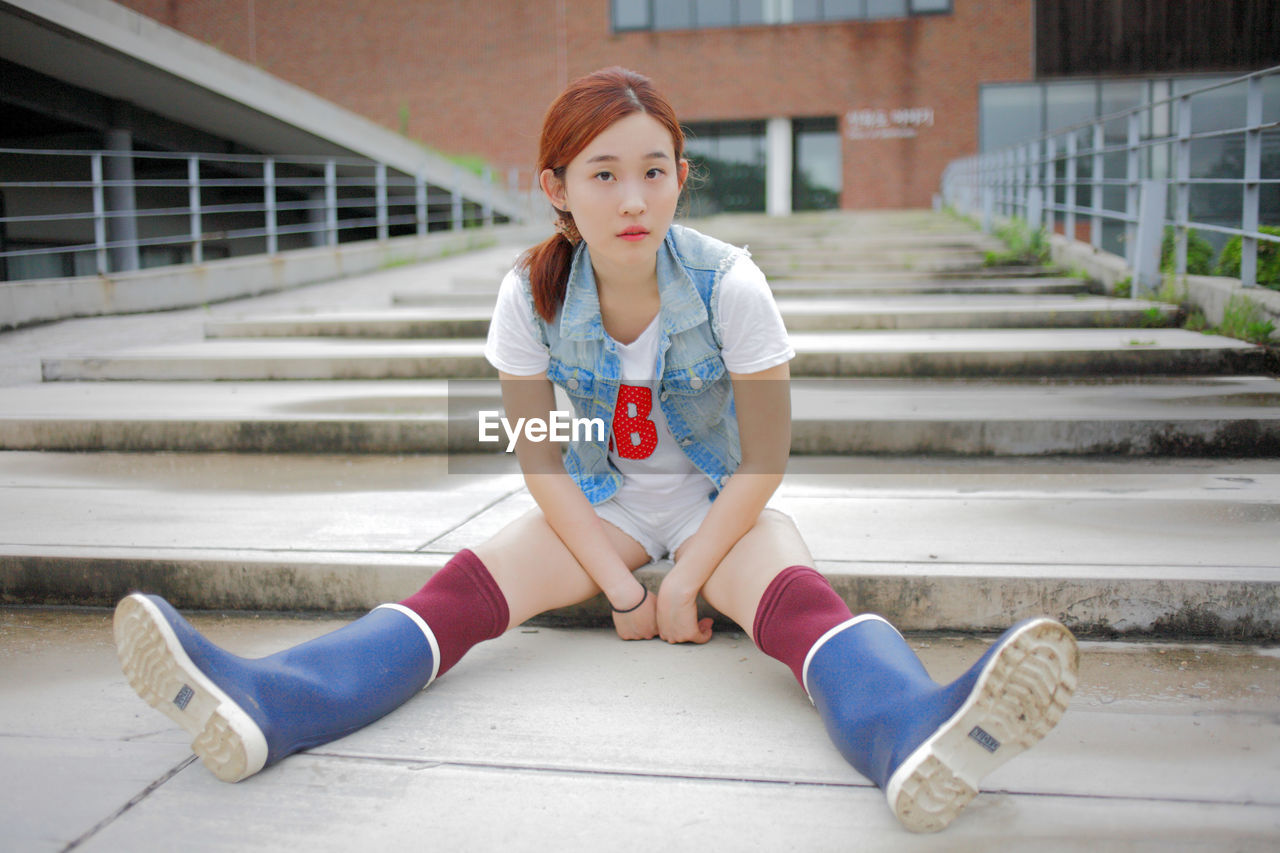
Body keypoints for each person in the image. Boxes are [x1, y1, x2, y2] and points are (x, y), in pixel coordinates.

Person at [113, 67, 1078, 834]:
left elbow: (765, 459)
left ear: (682, 177)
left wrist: (685, 579)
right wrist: (623, 590)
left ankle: (908, 731)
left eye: (653, 169)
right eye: (604, 172)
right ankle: (270, 706)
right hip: (599, 502)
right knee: (457, 590)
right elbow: (538, 460)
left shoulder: (731, 283)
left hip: (717, 500)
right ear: (557, 188)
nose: (632, 196)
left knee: (797, 591)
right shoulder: (527, 295)